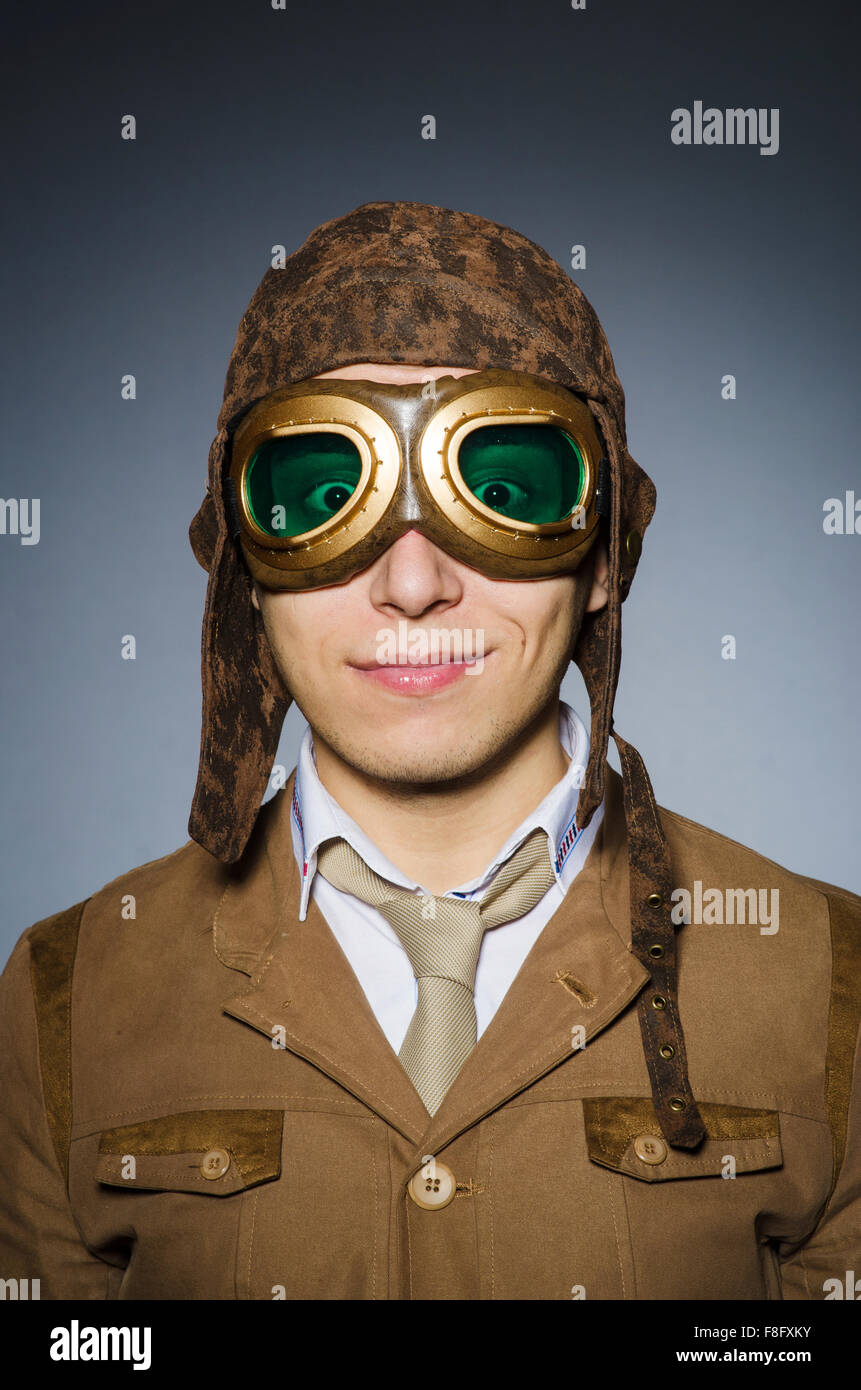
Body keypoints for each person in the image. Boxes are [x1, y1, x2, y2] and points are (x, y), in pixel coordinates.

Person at [0, 200, 858, 1301]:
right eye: (321, 494)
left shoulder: (832, 987)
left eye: (503, 491)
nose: (412, 585)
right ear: (243, 569)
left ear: (603, 555)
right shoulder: (66, 1005)